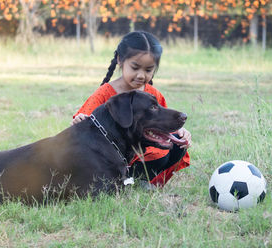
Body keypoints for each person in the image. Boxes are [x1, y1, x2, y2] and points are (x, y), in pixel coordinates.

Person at [72, 31, 192, 187]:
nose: (141, 75)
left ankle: (140, 180)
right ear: (120, 60)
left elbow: (161, 125)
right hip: (112, 159)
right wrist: (80, 119)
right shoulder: (105, 93)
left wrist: (180, 133)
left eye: (148, 70)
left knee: (175, 147)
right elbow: (84, 127)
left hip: (142, 155)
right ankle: (121, 181)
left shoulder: (152, 94)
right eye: (135, 67)